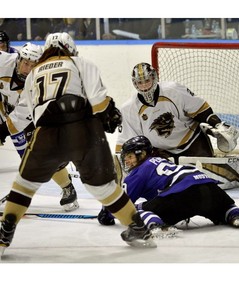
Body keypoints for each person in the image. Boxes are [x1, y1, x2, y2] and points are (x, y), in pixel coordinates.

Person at [0, 32, 156, 256]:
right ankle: (138, 229)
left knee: (24, 184)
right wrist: (109, 116)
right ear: (70, 49)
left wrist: (2, 130)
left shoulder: (34, 72)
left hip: (47, 132)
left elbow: (20, 117)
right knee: (103, 187)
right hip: (84, 129)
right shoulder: (81, 62)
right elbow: (99, 101)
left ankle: (5, 232)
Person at [98, 135, 239, 233]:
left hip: (182, 194)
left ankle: (157, 226)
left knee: (138, 210)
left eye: (130, 156)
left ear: (141, 154)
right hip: (207, 185)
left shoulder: (137, 173)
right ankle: (235, 215)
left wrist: (105, 214)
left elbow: (122, 205)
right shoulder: (161, 161)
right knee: (222, 209)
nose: (127, 161)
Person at [0, 41, 79, 212]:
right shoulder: (3, 61)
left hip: (34, 118)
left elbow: (20, 118)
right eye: (25, 63)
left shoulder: (39, 83)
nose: (27, 69)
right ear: (18, 59)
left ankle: (67, 187)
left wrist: (2, 130)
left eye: (32, 65)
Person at [117, 62, 239, 162]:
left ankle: (205, 129)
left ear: (154, 77)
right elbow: (125, 141)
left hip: (192, 143)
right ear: (135, 83)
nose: (144, 86)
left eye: (147, 80)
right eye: (140, 82)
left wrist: (218, 124)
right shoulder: (129, 108)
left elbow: (200, 109)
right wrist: (120, 162)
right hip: (160, 152)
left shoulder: (173, 90)